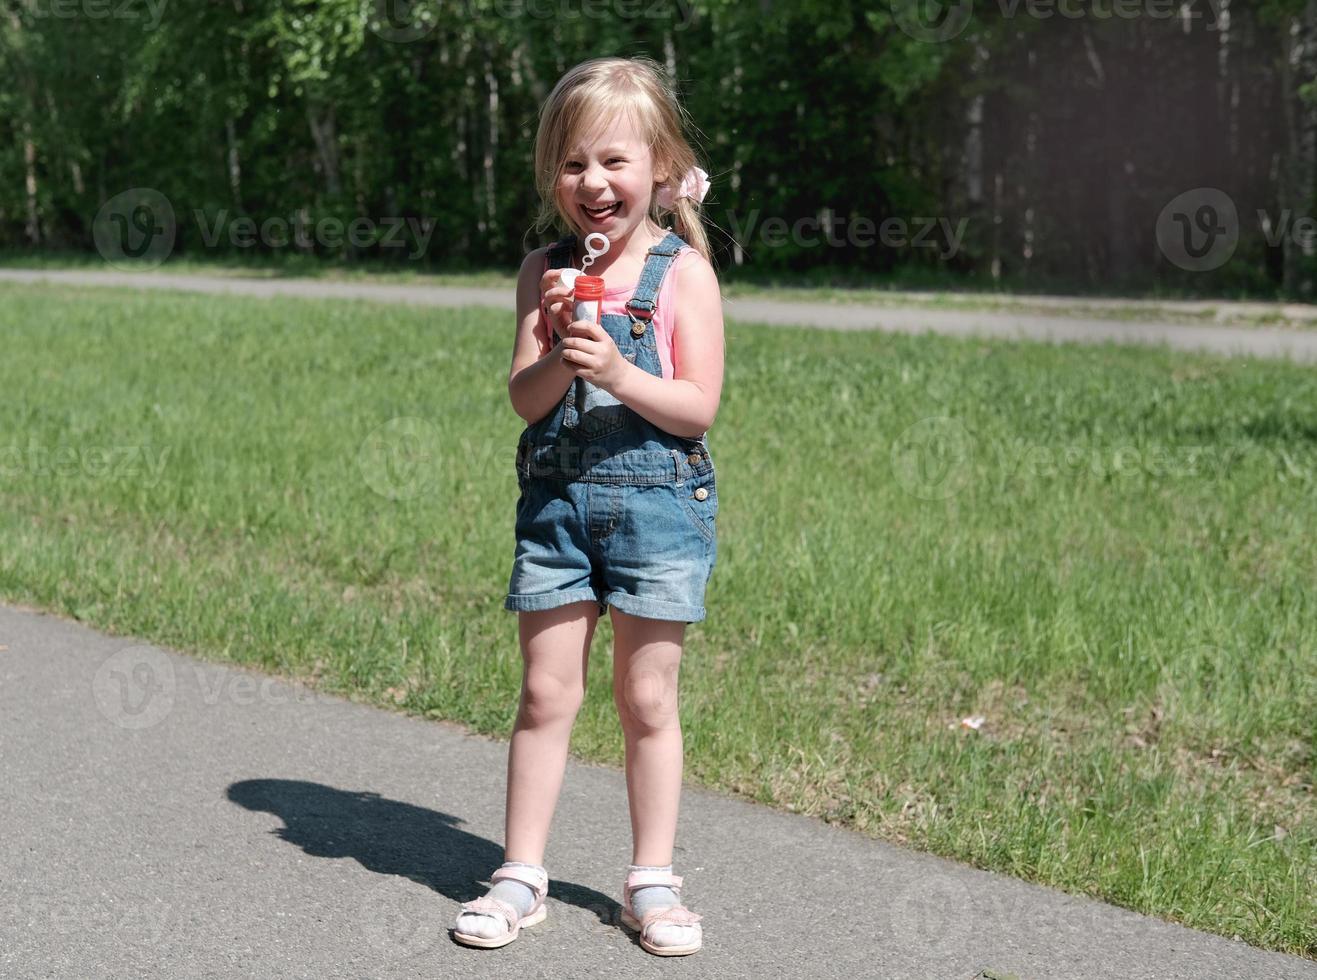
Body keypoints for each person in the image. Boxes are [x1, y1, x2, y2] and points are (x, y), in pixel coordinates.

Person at [451, 55, 724, 958]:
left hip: (658, 511)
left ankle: (652, 881)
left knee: (647, 699)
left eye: (613, 161)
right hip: (558, 508)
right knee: (543, 692)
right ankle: (520, 874)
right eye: (572, 165)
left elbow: (697, 407)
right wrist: (562, 357)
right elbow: (525, 401)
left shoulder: (683, 275)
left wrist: (619, 369)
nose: (592, 183)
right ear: (550, 177)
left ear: (659, 168)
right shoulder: (545, 271)